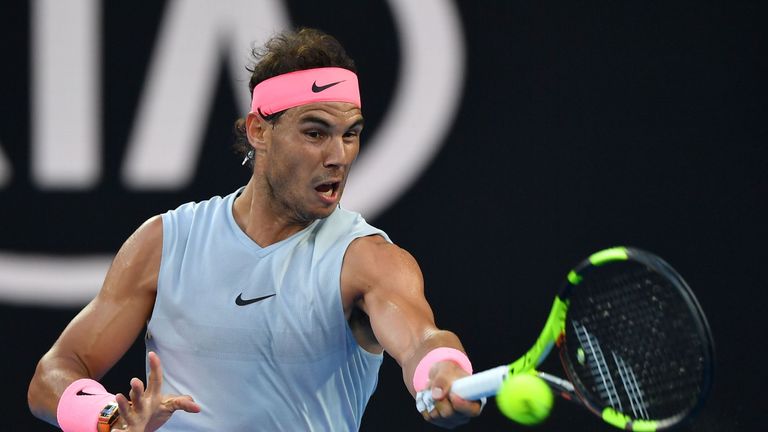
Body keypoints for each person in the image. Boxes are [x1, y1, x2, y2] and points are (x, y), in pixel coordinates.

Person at [28, 28, 482, 431]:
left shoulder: (365, 260)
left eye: (350, 133)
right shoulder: (165, 242)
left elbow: (423, 339)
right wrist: (108, 420)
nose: (339, 156)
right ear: (258, 131)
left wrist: (442, 370)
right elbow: (54, 373)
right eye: (315, 132)